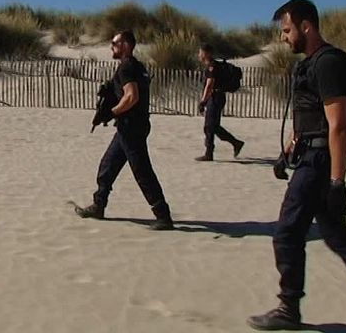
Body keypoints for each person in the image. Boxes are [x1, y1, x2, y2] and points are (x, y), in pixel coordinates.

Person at [247, 0, 346, 330]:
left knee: (288, 232)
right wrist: (287, 150)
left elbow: (339, 125)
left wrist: (337, 183)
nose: (284, 37)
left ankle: (288, 307)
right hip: (309, 154)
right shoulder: (308, 64)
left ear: (307, 26)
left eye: (288, 30)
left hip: (320, 161)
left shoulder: (329, 63)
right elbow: (309, 118)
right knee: (336, 235)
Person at [74, 30, 174, 231]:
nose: (111, 46)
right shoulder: (137, 67)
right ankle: (98, 205)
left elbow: (131, 96)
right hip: (131, 126)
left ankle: (163, 216)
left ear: (126, 45)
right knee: (107, 165)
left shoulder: (127, 67)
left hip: (131, 127)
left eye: (114, 43)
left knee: (142, 171)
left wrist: (112, 112)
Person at [195, 44, 244, 161]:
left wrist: (203, 101)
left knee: (210, 126)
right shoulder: (213, 66)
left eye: (200, 52)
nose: (199, 55)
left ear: (206, 53)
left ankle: (210, 152)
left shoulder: (212, 67)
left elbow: (209, 85)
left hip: (215, 97)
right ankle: (234, 143)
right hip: (217, 97)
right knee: (213, 126)